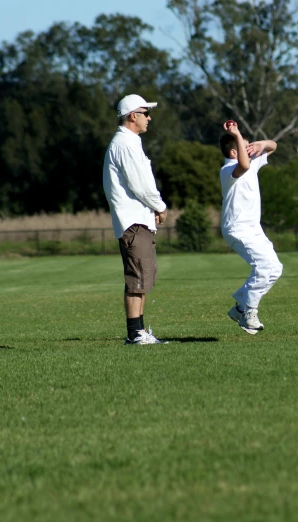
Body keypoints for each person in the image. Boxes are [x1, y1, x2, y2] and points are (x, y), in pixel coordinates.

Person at [102, 94, 169, 345]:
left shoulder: (130, 143)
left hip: (139, 220)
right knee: (136, 279)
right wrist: (160, 207)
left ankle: (139, 331)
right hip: (133, 222)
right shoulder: (125, 145)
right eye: (145, 113)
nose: (149, 118)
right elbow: (140, 185)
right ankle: (135, 334)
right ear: (133, 116)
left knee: (142, 279)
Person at [218, 120, 281, 334]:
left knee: (275, 268)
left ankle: (239, 308)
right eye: (245, 146)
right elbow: (243, 166)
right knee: (263, 267)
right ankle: (248, 311)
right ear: (234, 152)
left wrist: (261, 144)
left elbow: (273, 146)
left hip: (254, 229)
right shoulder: (228, 170)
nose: (250, 149)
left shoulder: (252, 161)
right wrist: (236, 134)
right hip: (237, 228)